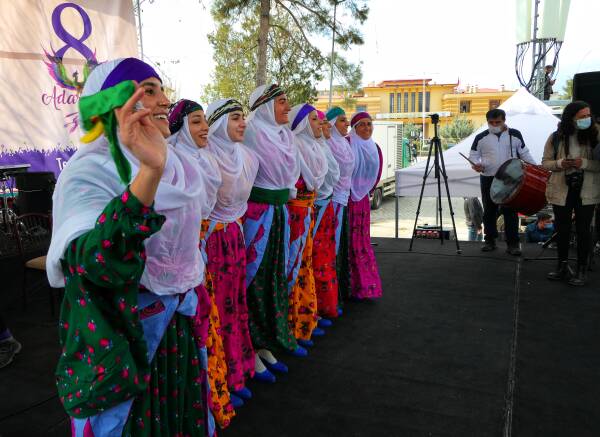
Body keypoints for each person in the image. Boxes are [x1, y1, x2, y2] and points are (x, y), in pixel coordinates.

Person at [46, 58, 213, 436]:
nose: (165, 101)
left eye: (162, 90)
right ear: (114, 105)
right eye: (149, 91)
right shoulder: (88, 172)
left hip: (175, 331)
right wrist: (148, 175)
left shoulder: (179, 166)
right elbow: (95, 263)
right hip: (123, 340)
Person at [167, 99, 235, 426]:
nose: (204, 128)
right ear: (179, 127)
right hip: (182, 259)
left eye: (204, 121)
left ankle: (216, 393)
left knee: (210, 322)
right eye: (195, 122)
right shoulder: (172, 161)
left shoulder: (204, 158)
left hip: (200, 251)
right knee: (195, 330)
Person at [242, 84, 303, 383]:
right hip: (257, 214)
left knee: (274, 276)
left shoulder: (285, 135)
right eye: (281, 102)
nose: (287, 107)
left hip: (278, 213)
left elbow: (290, 176)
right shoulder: (252, 131)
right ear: (265, 106)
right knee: (255, 278)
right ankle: (250, 347)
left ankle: (267, 341)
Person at [203, 98, 259, 405]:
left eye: (243, 117)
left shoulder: (247, 157)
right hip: (212, 242)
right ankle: (218, 380)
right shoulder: (204, 158)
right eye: (235, 117)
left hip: (234, 236)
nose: (242, 123)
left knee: (236, 303)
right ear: (219, 123)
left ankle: (238, 370)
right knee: (217, 310)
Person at [542, 100, 600, 286]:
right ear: (571, 117)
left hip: (587, 189)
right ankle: (562, 266)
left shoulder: (596, 134)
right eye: (582, 116)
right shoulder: (556, 136)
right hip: (562, 188)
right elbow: (545, 162)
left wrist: (583, 163)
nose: (587, 119)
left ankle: (582, 269)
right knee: (562, 229)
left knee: (583, 230)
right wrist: (561, 163)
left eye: (588, 115)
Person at [286, 103, 328, 347]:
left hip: (307, 211)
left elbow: (318, 181)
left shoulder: (313, 146)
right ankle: (294, 325)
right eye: (313, 119)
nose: (319, 123)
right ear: (301, 123)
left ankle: (307, 318)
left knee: (306, 263)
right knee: (295, 265)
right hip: (295, 214)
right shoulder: (294, 146)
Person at [468, 108, 536, 255]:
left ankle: (513, 244)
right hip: (488, 177)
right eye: (491, 122)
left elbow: (524, 153)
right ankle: (490, 241)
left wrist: (536, 168)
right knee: (489, 210)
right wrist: (476, 164)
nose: (494, 125)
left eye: (497, 122)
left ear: (504, 120)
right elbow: (473, 155)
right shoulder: (481, 137)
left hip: (510, 177)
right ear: (487, 122)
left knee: (510, 211)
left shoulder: (515, 134)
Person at [347, 112, 383, 300]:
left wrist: (364, 190)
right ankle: (350, 286)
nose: (367, 128)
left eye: (369, 124)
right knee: (347, 242)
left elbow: (376, 173)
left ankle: (365, 286)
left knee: (361, 242)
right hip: (345, 201)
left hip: (362, 202)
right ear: (354, 128)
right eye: (362, 124)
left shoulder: (375, 148)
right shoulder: (347, 144)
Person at [312, 110, 341, 323]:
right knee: (317, 260)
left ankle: (326, 305)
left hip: (326, 204)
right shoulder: (309, 147)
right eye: (320, 122)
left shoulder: (322, 146)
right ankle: (317, 309)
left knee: (326, 257)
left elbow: (334, 175)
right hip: (315, 207)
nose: (327, 126)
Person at [325, 107, 355, 313]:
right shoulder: (328, 144)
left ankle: (338, 294)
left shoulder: (343, 143)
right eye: (342, 120)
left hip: (343, 198)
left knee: (339, 245)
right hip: (331, 199)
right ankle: (330, 299)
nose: (347, 124)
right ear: (332, 123)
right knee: (331, 247)